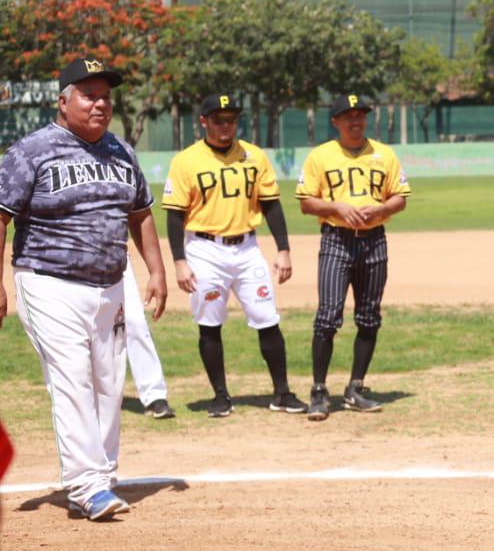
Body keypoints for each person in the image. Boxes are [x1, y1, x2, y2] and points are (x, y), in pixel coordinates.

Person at [0, 57, 168, 521]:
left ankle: (102, 474)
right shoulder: (31, 151)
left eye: (106, 97)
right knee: (72, 378)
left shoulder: (122, 152)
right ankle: (85, 485)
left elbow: (140, 214)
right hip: (47, 281)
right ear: (63, 100)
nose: (99, 104)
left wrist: (156, 270)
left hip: (109, 284)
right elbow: (1, 215)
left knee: (109, 384)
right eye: (89, 95)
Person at [164, 93, 303, 417]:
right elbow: (174, 214)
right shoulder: (186, 161)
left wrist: (283, 249)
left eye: (231, 119)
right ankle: (220, 396)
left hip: (247, 247)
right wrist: (179, 261)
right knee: (209, 324)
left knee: (268, 319)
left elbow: (270, 204)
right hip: (203, 248)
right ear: (204, 121)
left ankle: (282, 392)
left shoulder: (253, 156)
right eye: (218, 119)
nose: (225, 125)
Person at [295, 94, 409, 420]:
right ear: (335, 122)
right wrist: (336, 207)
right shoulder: (321, 157)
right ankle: (319, 391)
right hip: (336, 240)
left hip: (374, 241)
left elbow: (400, 198)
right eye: (348, 117)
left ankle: (356, 388)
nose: (355, 121)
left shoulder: (383, 154)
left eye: (360, 116)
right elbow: (306, 203)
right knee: (328, 317)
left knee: (369, 316)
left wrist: (383, 208)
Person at [123, 256, 174, 419]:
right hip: (63, 261)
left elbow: (142, 228)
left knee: (135, 322)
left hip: (113, 255)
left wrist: (156, 271)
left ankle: (154, 396)